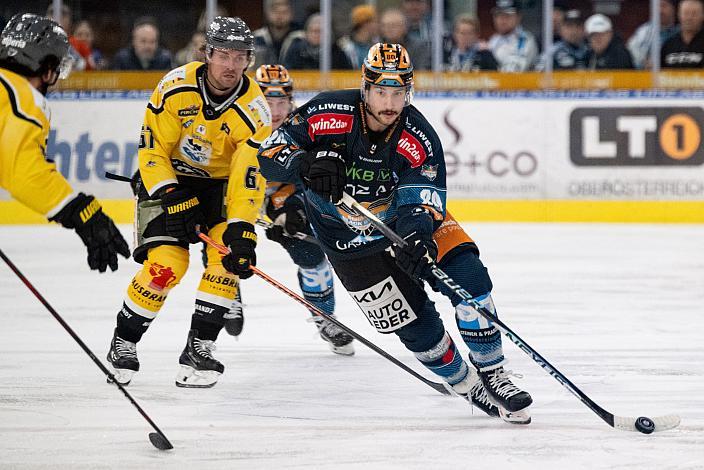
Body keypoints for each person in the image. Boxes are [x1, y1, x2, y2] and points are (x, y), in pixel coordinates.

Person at [257, 43, 532, 423]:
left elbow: (422, 201)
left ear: (409, 92)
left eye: (398, 93)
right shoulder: (326, 112)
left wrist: (417, 237)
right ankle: (467, 384)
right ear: (365, 88)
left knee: (470, 280)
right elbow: (269, 155)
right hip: (345, 240)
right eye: (382, 92)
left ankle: (493, 370)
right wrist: (305, 163)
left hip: (406, 224)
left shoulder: (419, 136)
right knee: (414, 328)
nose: (389, 103)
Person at [106, 16, 271, 388]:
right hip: (168, 182)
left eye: (239, 56)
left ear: (249, 60)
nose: (231, 65)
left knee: (229, 257)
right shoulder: (175, 86)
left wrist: (244, 230)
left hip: (219, 190)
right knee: (168, 264)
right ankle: (124, 342)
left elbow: (248, 176)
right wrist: (169, 193)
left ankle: (200, 346)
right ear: (207, 53)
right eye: (223, 55)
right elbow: (151, 151)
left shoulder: (255, 109)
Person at [0, 13, 130, 273]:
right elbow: (23, 172)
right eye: (57, 66)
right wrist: (80, 211)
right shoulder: (22, 98)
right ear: (45, 68)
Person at [243, 64, 355, 355]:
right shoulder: (237, 122)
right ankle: (224, 293)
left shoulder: (301, 126)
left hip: (280, 196)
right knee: (225, 249)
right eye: (269, 102)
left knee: (311, 252)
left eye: (282, 102)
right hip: (234, 196)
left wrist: (293, 211)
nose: (277, 110)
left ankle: (324, 316)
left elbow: (305, 179)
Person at [281, 14, 352, 70]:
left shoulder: (337, 53)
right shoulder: (296, 51)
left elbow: (346, 75)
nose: (316, 35)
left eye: (320, 31)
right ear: (306, 33)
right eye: (313, 31)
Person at [488, 0, 538, 72]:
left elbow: (514, 70)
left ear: (518, 17)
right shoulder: (494, 39)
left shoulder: (525, 40)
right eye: (498, 15)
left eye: (507, 16)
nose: (502, 20)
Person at [628, 0, 680, 69]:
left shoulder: (680, 32)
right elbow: (629, 54)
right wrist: (643, 63)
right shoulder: (643, 31)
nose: (660, 10)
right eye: (656, 6)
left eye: (664, 6)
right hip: (644, 76)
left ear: (673, 9)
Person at [661, 0, 704, 68]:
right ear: (679, 15)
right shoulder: (668, 45)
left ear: (702, 16)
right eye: (686, 13)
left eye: (694, 14)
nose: (689, 18)